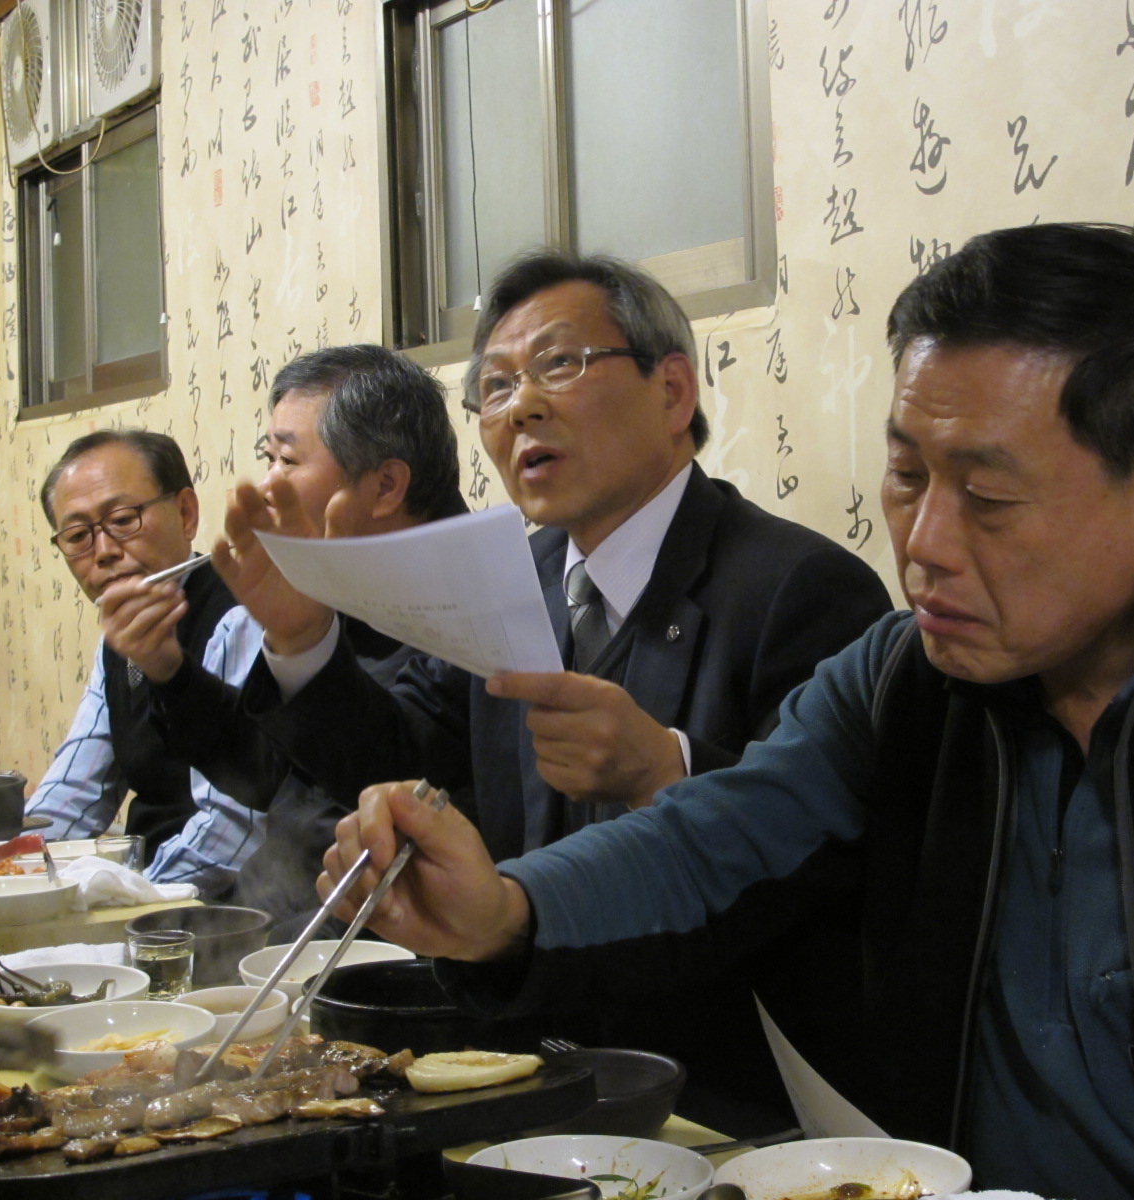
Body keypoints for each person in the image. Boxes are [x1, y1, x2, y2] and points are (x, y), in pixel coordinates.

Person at [321, 224, 1134, 1200]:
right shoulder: (903, 676)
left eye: (987, 496)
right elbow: (711, 838)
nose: (923, 543)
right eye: (904, 476)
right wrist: (505, 910)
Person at [217, 250, 892, 1129]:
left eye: (560, 364)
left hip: (725, 1094)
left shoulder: (799, 585)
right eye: (495, 387)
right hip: (529, 1065)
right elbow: (405, 750)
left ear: (673, 392)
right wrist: (304, 638)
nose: (521, 407)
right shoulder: (509, 576)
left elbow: (839, 856)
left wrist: (668, 766)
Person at [154, 344, 467, 936]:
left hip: (368, 943)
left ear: (386, 485)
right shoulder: (346, 576)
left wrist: (301, 638)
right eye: (267, 457)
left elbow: (395, 783)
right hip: (281, 910)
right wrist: (167, 668)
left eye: (288, 461)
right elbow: (269, 775)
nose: (267, 485)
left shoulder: (471, 603)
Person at [27, 430, 263, 897]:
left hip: (230, 905)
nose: (104, 551)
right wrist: (11, 869)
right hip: (150, 886)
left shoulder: (238, 615)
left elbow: (236, 827)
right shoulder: (122, 635)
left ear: (186, 513)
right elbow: (76, 789)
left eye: (122, 520)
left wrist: (132, 899)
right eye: (78, 536)